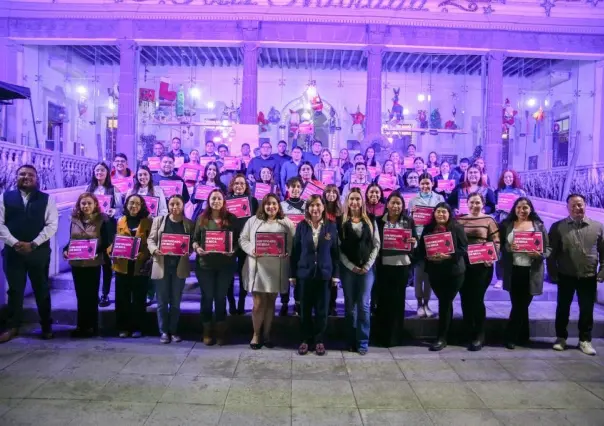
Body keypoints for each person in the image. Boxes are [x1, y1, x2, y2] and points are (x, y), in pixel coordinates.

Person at [0, 165, 58, 343]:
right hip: (13, 252)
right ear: (16, 177)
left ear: (36, 178)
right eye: (22, 174)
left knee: (41, 289)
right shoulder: (5, 197)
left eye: (30, 175)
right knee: (15, 290)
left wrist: (33, 244)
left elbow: (52, 225)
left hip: (38, 253)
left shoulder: (47, 199)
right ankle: (13, 326)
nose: (26, 177)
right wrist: (15, 243)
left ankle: (46, 326)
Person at [548, 194, 604, 356]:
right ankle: (560, 338)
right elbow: (552, 253)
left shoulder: (598, 227)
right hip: (566, 275)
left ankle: (585, 340)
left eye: (579, 204)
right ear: (567, 208)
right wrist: (552, 272)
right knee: (562, 308)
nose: (576, 208)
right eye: (572, 205)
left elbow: (603, 251)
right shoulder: (558, 227)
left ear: (585, 205)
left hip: (588, 276)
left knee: (587, 309)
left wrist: (602, 270)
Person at [239, 193, 296, 349]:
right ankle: (256, 334)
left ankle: (267, 334)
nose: (271, 206)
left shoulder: (286, 223)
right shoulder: (253, 221)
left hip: (276, 267)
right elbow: (242, 239)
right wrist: (252, 249)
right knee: (258, 303)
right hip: (258, 267)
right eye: (268, 204)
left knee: (271, 302)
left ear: (279, 206)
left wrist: (287, 251)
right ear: (263, 205)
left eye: (274, 203)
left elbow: (293, 242)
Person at [290, 195, 340, 356]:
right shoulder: (301, 226)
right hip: (304, 274)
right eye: (311, 205)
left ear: (323, 207)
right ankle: (305, 339)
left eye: (318, 205)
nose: (315, 208)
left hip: (324, 274)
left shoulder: (331, 227)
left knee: (322, 310)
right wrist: (293, 275)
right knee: (304, 309)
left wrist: (335, 275)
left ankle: (319, 340)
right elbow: (295, 251)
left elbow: (335, 253)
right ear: (307, 208)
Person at [499, 197, 550, 350]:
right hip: (513, 270)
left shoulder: (539, 226)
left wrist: (539, 255)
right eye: (519, 207)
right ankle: (522, 336)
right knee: (518, 304)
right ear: (514, 209)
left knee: (522, 304)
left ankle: (511, 336)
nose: (522, 210)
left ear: (530, 209)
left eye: (525, 207)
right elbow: (500, 246)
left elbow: (548, 248)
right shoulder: (507, 225)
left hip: (531, 271)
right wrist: (509, 248)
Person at [417, 202, 468, 351]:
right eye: (438, 212)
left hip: (454, 272)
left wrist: (448, 256)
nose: (441, 214)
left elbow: (463, 249)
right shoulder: (428, 228)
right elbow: (422, 249)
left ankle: (442, 338)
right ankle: (446, 334)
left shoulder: (457, 228)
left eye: (444, 212)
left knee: (445, 302)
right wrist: (428, 257)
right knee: (444, 302)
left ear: (449, 214)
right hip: (435, 271)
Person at [192, 189, 239, 346]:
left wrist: (234, 250)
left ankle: (220, 330)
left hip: (225, 266)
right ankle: (206, 330)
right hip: (205, 265)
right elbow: (195, 240)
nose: (216, 201)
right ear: (208, 201)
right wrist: (198, 249)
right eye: (213, 198)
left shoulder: (231, 219)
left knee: (220, 298)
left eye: (219, 198)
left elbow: (239, 240)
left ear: (224, 201)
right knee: (207, 297)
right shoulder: (201, 219)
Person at [337, 188, 380, 355]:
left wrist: (368, 265)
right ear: (347, 201)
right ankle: (350, 340)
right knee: (350, 306)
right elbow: (338, 248)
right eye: (351, 199)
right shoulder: (340, 221)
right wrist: (350, 265)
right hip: (348, 269)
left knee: (363, 305)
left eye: (357, 199)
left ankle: (362, 341)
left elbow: (376, 244)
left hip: (367, 269)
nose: (354, 202)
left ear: (362, 201)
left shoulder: (371, 219)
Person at [63, 193, 112, 338]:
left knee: (91, 295)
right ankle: (81, 326)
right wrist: (65, 250)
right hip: (77, 263)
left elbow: (106, 241)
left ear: (95, 204)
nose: (86, 206)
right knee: (80, 295)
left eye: (89, 203)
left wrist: (94, 251)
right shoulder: (74, 220)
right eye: (83, 203)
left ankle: (93, 327)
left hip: (93, 262)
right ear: (79, 205)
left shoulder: (102, 219)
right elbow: (71, 240)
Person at [147, 195, 194, 344]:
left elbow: (192, 242)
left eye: (178, 204)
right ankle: (163, 332)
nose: (175, 207)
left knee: (175, 302)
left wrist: (190, 250)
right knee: (161, 302)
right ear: (168, 205)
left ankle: (173, 331)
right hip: (162, 265)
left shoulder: (188, 224)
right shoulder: (159, 221)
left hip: (179, 266)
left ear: (183, 205)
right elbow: (150, 239)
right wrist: (154, 250)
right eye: (172, 204)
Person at [457, 192, 500, 351]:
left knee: (477, 299)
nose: (475, 205)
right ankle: (468, 331)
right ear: (466, 203)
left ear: (483, 204)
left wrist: (492, 257)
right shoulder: (460, 220)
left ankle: (479, 335)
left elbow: (496, 241)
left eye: (478, 202)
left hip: (482, 265)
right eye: (472, 202)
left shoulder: (489, 220)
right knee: (464, 298)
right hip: (463, 264)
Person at [375, 191, 418, 347]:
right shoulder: (379, 221)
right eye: (392, 203)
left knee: (398, 302)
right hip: (384, 266)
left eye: (398, 203)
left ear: (403, 206)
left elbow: (416, 241)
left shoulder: (408, 221)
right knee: (384, 301)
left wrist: (414, 242)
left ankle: (395, 337)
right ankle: (381, 336)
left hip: (402, 266)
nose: (395, 206)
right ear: (387, 204)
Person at [110, 194, 152, 338]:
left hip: (140, 265)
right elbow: (115, 241)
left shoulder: (148, 222)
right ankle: (123, 327)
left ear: (142, 206)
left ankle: (138, 327)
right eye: (131, 203)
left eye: (137, 204)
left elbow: (151, 243)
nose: (134, 206)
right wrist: (111, 251)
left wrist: (143, 255)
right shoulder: (121, 221)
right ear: (126, 204)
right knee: (122, 298)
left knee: (139, 298)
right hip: (122, 264)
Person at [86, 161, 123, 308]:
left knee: (107, 263)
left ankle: (105, 294)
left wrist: (112, 212)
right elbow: (81, 205)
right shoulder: (88, 189)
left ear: (107, 173)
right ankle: (92, 293)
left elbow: (119, 209)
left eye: (102, 171)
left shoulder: (113, 189)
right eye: (97, 171)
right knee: (92, 262)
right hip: (91, 229)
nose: (99, 173)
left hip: (107, 228)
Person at [407, 173, 445, 317]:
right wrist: (411, 214)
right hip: (418, 239)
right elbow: (409, 221)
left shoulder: (439, 198)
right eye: (422, 183)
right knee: (418, 274)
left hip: (433, 239)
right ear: (418, 184)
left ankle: (427, 304)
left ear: (433, 184)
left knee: (429, 275)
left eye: (428, 183)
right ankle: (418, 303)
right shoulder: (412, 200)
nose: (425, 186)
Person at [226, 174, 259, 315]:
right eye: (236, 183)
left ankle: (241, 302)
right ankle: (231, 303)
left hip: (246, 242)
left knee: (244, 274)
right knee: (229, 275)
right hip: (230, 242)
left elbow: (258, 221)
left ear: (246, 187)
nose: (239, 186)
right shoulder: (226, 201)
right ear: (232, 185)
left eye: (242, 184)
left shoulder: (253, 201)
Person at [493, 169, 527, 289]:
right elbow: (492, 210)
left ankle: (513, 277)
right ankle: (500, 278)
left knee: (515, 251)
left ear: (514, 178)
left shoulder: (520, 192)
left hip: (516, 225)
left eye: (510, 177)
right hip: (501, 225)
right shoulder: (497, 192)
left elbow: (527, 209)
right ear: (503, 178)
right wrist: (497, 207)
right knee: (500, 251)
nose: (508, 179)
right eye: (506, 177)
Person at [323, 184, 342, 316]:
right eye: (328, 192)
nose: (331, 194)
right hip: (323, 247)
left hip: (336, 248)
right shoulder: (320, 209)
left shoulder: (341, 212)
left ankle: (332, 305)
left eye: (334, 192)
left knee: (333, 279)